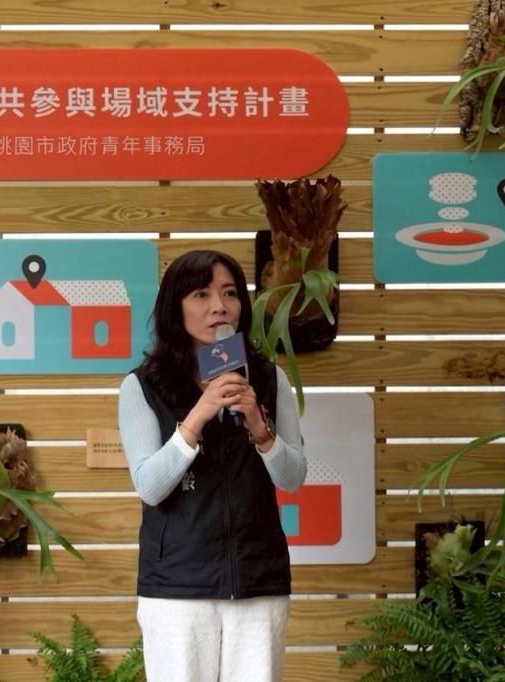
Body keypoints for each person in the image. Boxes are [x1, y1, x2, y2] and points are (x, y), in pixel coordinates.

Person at [117, 249, 307, 682]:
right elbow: (150, 486)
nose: (219, 306)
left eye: (230, 293)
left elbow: (293, 478)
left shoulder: (269, 379)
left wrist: (260, 428)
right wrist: (199, 415)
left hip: (258, 583)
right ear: (175, 307)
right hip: (177, 589)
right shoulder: (142, 386)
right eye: (201, 294)